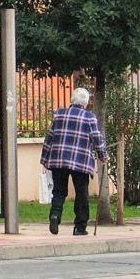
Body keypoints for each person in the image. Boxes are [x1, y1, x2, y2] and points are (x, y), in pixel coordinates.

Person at [40, 87, 108, 236]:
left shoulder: (59, 115)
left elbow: (49, 137)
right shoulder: (89, 117)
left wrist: (44, 158)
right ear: (85, 103)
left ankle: (55, 215)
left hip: (59, 159)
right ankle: (80, 227)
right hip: (80, 160)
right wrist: (103, 155)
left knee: (59, 190)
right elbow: (96, 138)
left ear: (72, 100)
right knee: (81, 192)